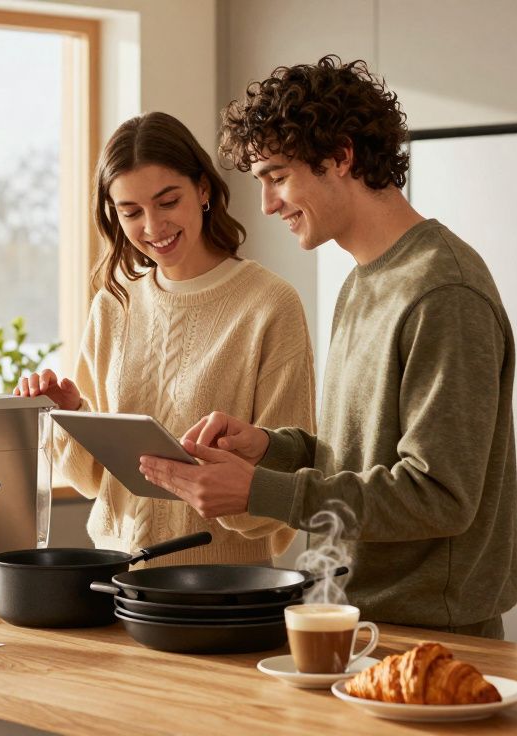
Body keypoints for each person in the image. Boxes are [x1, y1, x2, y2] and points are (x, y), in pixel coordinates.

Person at [138, 57, 517, 638]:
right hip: (354, 618)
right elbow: (360, 459)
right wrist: (268, 448)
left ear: (341, 157)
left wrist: (259, 491)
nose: (266, 204)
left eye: (277, 176)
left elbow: (439, 496)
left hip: (433, 638)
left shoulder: (444, 291)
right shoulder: (363, 281)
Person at [16, 112, 315, 566]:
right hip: (116, 578)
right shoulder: (114, 306)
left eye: (167, 201)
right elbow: (96, 482)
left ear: (203, 189)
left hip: (224, 586)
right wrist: (72, 414)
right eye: (131, 212)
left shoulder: (269, 304)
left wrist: (220, 487)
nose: (152, 227)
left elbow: (286, 485)